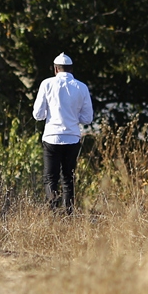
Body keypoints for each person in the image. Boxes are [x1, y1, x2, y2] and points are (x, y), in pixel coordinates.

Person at [32, 52, 93, 214]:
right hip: (72, 137)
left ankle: (51, 211)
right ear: (71, 69)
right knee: (68, 177)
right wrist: (73, 117)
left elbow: (38, 115)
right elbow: (87, 118)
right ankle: (69, 212)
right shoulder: (82, 87)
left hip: (52, 136)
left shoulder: (47, 84)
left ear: (55, 69)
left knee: (50, 177)